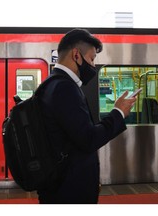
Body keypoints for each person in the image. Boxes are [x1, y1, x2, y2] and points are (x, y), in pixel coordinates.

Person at [36, 28, 137, 204]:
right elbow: (88, 139)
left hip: (59, 186)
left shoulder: (49, 84)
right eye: (91, 58)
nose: (93, 66)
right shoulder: (64, 88)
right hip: (69, 191)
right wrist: (118, 112)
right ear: (76, 55)